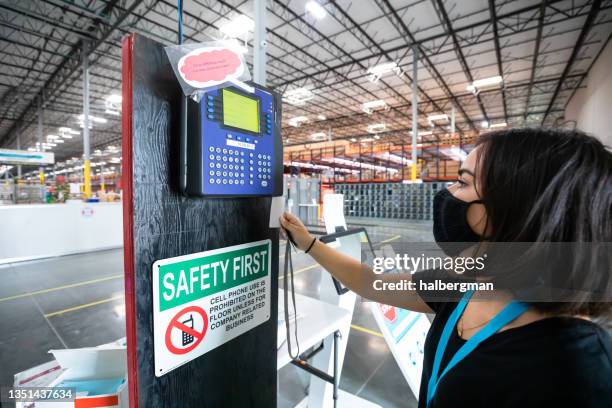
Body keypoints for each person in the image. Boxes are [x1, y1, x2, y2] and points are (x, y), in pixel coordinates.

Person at [280, 128, 612, 407]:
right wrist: (309, 242)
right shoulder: (467, 284)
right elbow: (373, 283)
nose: (448, 194)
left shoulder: (582, 372)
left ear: (522, 212)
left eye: (463, 182)